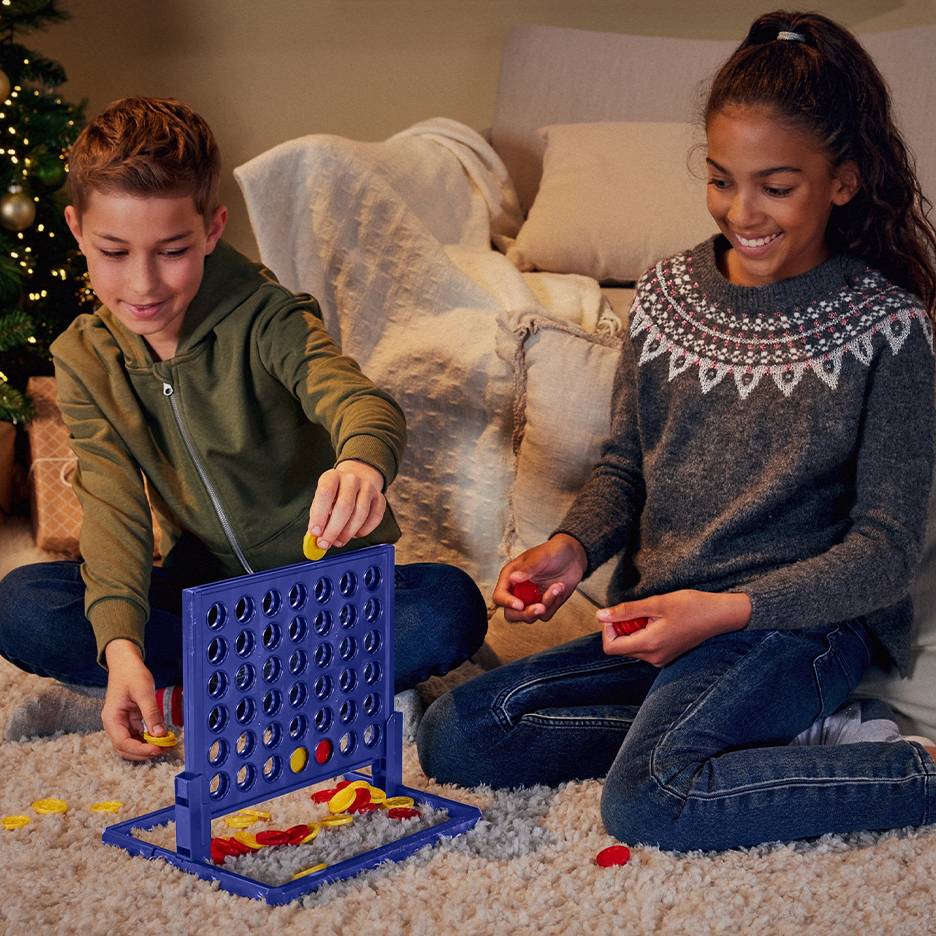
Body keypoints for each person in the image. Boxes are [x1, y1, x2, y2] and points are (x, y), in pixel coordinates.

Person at [417, 11, 936, 851]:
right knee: (458, 733)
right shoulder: (664, 294)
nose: (743, 210)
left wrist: (723, 612)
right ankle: (755, 742)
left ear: (842, 181)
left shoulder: (891, 328)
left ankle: (914, 772)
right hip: (663, 621)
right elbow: (626, 466)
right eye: (722, 178)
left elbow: (883, 551)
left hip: (794, 633)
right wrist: (572, 549)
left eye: (776, 185)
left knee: (650, 801)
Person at [0, 97, 487, 762]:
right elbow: (113, 513)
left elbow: (358, 402)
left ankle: (206, 693)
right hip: (208, 601)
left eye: (172, 251)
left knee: (447, 608)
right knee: (25, 601)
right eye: (114, 252)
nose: (142, 284)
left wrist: (361, 466)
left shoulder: (266, 317)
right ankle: (319, 683)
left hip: (327, 597)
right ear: (77, 229)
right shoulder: (84, 357)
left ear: (210, 228)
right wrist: (121, 650)